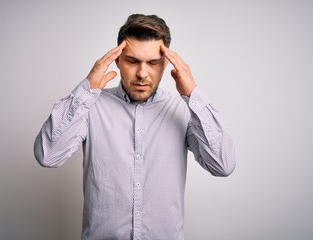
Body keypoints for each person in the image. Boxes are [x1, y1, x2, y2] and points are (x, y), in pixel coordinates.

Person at [34, 13, 236, 240]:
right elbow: (48, 155)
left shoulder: (184, 110)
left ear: (166, 63)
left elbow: (223, 165)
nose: (142, 73)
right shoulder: (90, 106)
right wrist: (86, 90)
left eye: (153, 63)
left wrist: (193, 95)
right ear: (118, 60)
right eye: (132, 61)